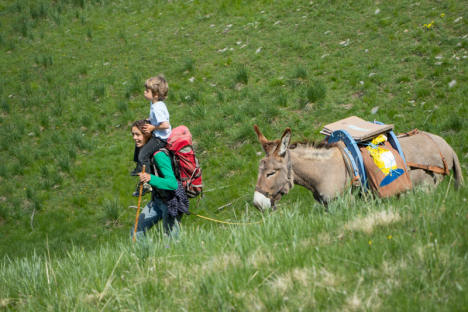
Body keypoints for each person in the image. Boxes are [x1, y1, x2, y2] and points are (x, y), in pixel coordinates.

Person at [130, 120, 189, 239]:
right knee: (136, 233)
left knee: (171, 242)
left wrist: (150, 178)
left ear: (147, 135)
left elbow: (172, 184)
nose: (134, 138)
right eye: (133, 134)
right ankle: (143, 257)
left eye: (138, 134)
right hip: (156, 201)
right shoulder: (146, 154)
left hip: (171, 202)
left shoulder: (159, 155)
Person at [131, 75, 172, 196]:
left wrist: (153, 127)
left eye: (147, 91)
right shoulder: (154, 104)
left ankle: (147, 183)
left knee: (144, 154)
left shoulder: (157, 108)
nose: (144, 92)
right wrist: (147, 121)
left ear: (155, 94)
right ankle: (139, 167)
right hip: (157, 133)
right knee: (138, 143)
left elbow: (165, 124)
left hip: (161, 138)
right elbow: (154, 118)